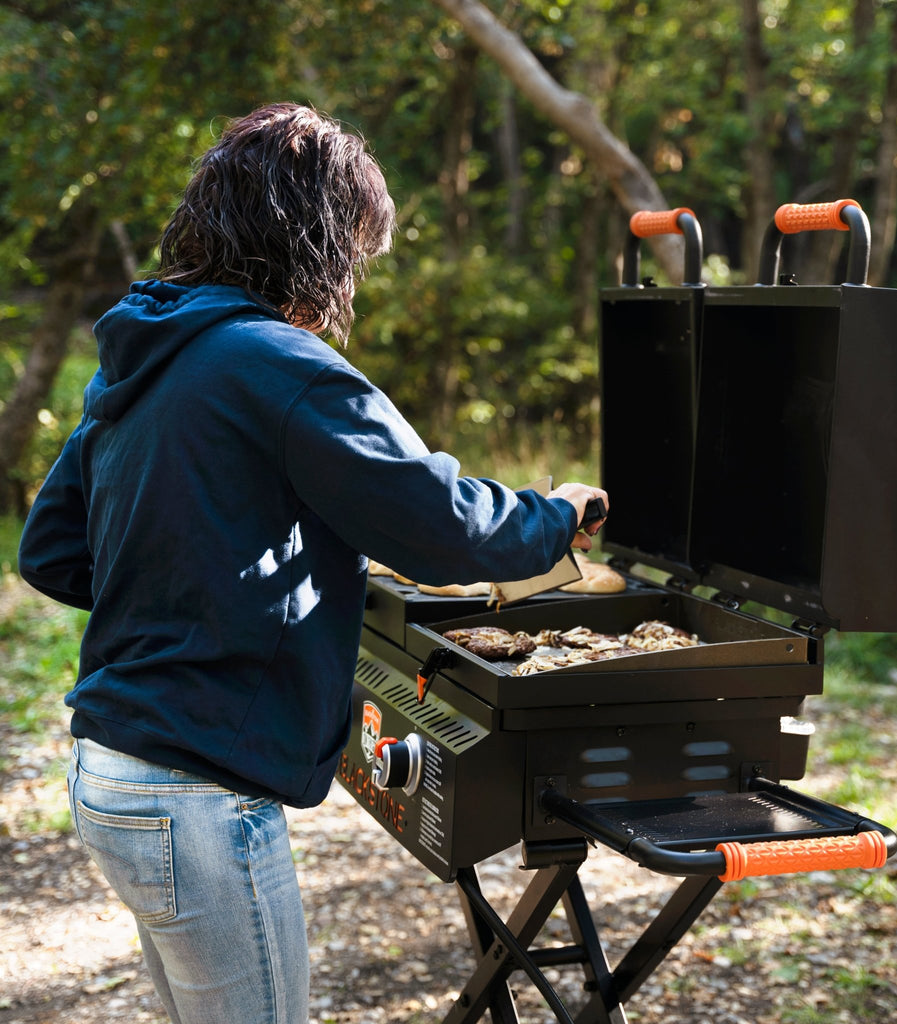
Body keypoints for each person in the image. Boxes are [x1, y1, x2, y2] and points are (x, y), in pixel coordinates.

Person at [17, 102, 608, 1024]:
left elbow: (53, 551)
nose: (354, 281)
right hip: (197, 797)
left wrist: (205, 578)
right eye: (357, 257)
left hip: (112, 774)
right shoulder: (279, 366)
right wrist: (552, 517)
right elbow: (441, 526)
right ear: (316, 246)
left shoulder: (144, 354)